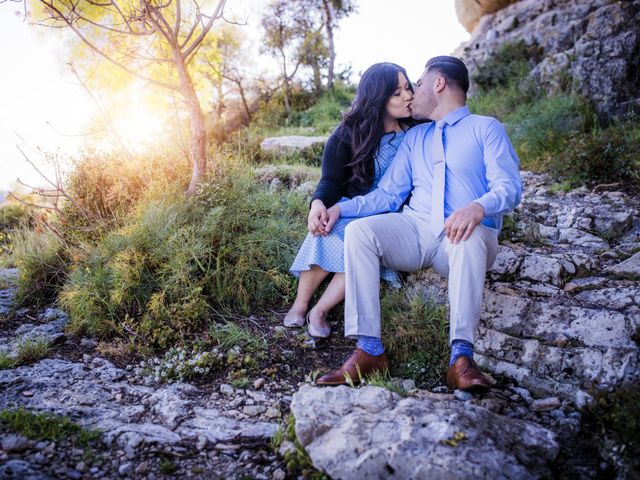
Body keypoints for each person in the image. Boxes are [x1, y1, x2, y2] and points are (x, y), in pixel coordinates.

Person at [316, 56, 522, 392]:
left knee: (468, 237)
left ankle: (461, 359)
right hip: (415, 230)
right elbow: (387, 195)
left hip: (461, 238)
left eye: (420, 83)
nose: (414, 91)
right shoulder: (416, 138)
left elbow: (510, 187)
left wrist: (476, 208)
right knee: (360, 231)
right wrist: (340, 208)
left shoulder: (486, 128)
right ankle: (369, 349)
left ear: (439, 84)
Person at [285, 62, 417, 338]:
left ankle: (319, 311)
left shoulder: (417, 131)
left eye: (408, 88)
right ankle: (300, 303)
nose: (407, 96)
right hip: (352, 205)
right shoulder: (349, 132)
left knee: (361, 246)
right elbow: (330, 180)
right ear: (377, 97)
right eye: (397, 92)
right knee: (327, 227)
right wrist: (318, 204)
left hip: (391, 217)